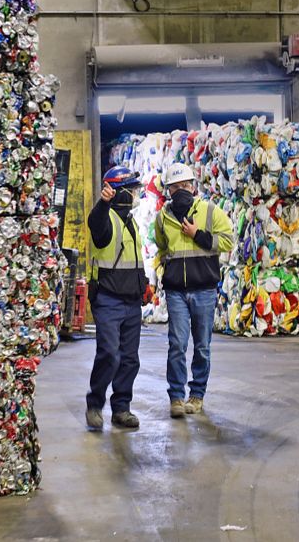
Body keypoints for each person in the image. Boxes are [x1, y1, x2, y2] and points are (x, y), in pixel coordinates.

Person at [154, 163, 234, 418]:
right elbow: (162, 246)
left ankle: (197, 395)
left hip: (204, 289)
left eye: (184, 186)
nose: (180, 191)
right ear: (168, 190)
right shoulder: (162, 217)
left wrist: (197, 234)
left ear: (193, 186)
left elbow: (228, 241)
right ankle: (176, 397)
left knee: (202, 346)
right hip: (176, 290)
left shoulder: (211, 211)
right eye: (175, 187)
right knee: (177, 344)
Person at [85, 166, 151, 431]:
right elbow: (95, 224)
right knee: (109, 354)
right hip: (108, 299)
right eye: (133, 190)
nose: (136, 194)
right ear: (120, 192)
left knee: (129, 359)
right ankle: (95, 405)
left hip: (131, 300)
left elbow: (133, 258)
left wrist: (143, 284)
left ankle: (121, 409)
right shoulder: (106, 219)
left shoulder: (131, 221)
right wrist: (104, 202)